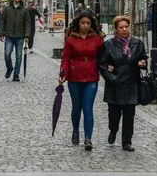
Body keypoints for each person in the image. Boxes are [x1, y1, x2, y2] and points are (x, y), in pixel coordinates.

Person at [98, 15, 148, 152]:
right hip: (115, 84)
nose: (124, 29)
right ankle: (113, 130)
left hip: (132, 84)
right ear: (116, 29)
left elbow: (143, 58)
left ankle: (127, 142)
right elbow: (102, 64)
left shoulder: (137, 43)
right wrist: (110, 76)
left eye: (126, 27)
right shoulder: (108, 45)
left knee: (129, 115)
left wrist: (142, 63)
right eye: (121, 27)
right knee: (113, 114)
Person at [59, 9, 103, 151]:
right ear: (78, 23)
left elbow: (102, 57)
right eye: (83, 23)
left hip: (91, 76)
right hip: (74, 76)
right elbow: (65, 58)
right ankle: (76, 130)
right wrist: (63, 74)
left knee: (88, 108)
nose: (85, 25)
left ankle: (88, 138)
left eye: (88, 23)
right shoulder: (71, 39)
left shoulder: (96, 39)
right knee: (76, 107)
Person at [0, 0, 31, 82]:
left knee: (19, 56)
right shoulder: (7, 9)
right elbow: (2, 21)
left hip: (20, 36)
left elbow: (27, 23)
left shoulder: (24, 10)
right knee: (7, 54)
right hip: (9, 35)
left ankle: (16, 74)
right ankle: (9, 68)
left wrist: (27, 35)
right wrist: (1, 34)